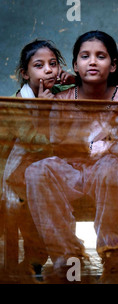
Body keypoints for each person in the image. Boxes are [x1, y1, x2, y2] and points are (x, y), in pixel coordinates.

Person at [24, 30, 118, 283]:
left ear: (113, 64)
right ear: (75, 64)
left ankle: (115, 258)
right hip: (69, 169)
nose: (92, 62)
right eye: (85, 56)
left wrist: (98, 150)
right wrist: (89, 148)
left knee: (110, 167)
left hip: (108, 168)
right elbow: (56, 143)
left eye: (101, 56)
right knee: (37, 170)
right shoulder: (62, 98)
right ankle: (66, 257)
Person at [2, 40, 75, 277]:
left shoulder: (61, 94)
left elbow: (91, 87)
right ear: (25, 73)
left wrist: (73, 79)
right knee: (24, 204)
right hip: (16, 169)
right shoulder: (15, 104)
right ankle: (28, 262)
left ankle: (42, 260)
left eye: (53, 64)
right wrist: (43, 109)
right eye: (39, 65)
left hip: (50, 165)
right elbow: (34, 142)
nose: (48, 70)